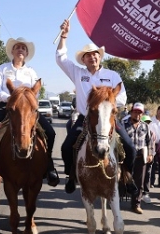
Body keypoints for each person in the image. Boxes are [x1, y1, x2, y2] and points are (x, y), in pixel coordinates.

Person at [56, 20, 136, 194]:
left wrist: (108, 106)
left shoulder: (112, 75)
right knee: (66, 147)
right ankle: (71, 175)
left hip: (108, 119)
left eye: (95, 54)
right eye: (88, 55)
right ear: (83, 60)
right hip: (86, 119)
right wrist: (64, 36)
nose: (92, 57)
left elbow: (122, 96)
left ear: (100, 57)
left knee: (130, 147)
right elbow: (61, 59)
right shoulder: (78, 73)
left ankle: (128, 176)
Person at [0, 37, 59, 190]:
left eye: (23, 48)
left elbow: (36, 92)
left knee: (50, 132)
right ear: (12, 51)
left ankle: (49, 167)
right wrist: (10, 98)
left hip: (27, 109)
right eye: (17, 47)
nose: (20, 49)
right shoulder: (2, 69)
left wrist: (27, 102)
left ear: (27, 52)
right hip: (7, 105)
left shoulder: (31, 72)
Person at [124, 103, 154, 214]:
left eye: (139, 112)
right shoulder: (123, 124)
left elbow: (149, 141)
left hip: (141, 157)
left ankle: (136, 204)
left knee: (139, 182)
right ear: (131, 112)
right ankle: (117, 199)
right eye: (135, 112)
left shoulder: (145, 126)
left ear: (142, 114)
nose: (137, 114)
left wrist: (150, 154)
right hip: (126, 158)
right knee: (123, 179)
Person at [140, 114, 156, 202]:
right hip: (140, 156)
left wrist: (152, 155)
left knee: (147, 175)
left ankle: (146, 193)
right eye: (145, 122)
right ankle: (137, 193)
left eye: (148, 122)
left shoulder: (151, 132)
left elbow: (152, 145)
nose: (147, 124)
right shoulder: (139, 131)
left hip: (149, 156)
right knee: (139, 176)